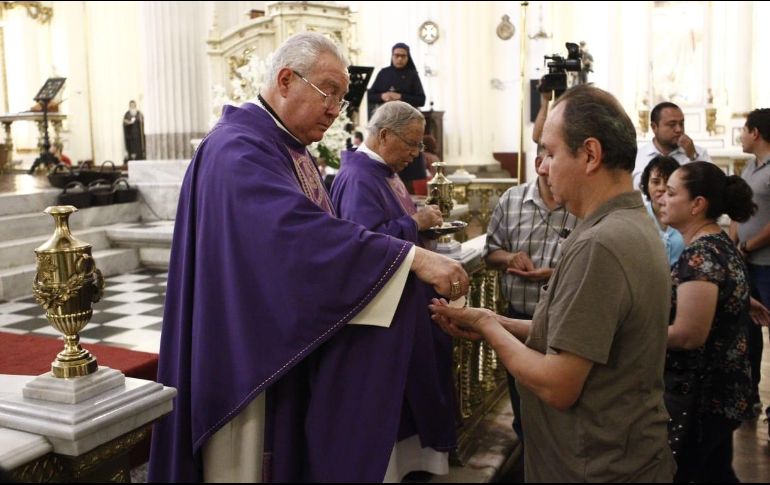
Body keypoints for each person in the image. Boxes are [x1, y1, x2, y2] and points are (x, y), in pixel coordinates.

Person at [147, 32, 469, 483]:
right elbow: (295, 239)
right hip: (243, 354)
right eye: (328, 92)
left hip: (278, 341)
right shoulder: (237, 148)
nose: (336, 109)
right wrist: (411, 258)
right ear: (285, 80)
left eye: (342, 97)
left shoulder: (286, 148)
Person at [430, 84, 676, 482]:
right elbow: (584, 337)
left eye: (550, 153)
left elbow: (558, 385)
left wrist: (490, 328)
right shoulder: (627, 223)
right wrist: (497, 322)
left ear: (590, 155)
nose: (542, 167)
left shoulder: (601, 244)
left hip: (593, 466)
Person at [330, 100, 454, 481]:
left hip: (406, 308)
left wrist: (416, 221)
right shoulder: (359, 178)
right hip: (383, 324)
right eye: (412, 143)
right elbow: (364, 248)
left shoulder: (382, 173)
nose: (416, 153)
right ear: (384, 135)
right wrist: (415, 221)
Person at [484, 89, 577, 443]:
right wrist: (509, 258)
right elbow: (491, 252)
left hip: (562, 321)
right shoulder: (512, 200)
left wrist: (553, 274)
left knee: (560, 413)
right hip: (518, 315)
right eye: (547, 157)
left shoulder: (578, 202)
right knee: (524, 411)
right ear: (539, 163)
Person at [658, 161, 756, 482]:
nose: (661, 198)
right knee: (716, 473)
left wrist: (636, 335)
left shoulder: (700, 255)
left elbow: (689, 334)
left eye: (671, 193)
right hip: (719, 391)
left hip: (702, 396)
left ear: (697, 204)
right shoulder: (718, 243)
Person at [730, 108, 770, 426]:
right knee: (748, 333)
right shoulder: (749, 166)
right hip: (746, 262)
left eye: (744, 129)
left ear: (755, 132)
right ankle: (749, 395)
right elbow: (737, 211)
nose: (741, 135)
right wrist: (733, 244)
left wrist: (747, 246)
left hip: (766, 264)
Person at [368, 43, 427, 194]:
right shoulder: (384, 73)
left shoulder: (412, 75)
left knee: (407, 171)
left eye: (403, 56)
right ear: (392, 56)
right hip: (387, 126)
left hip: (407, 127)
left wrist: (400, 97)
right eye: (397, 55)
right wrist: (383, 96)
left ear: (408, 57)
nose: (399, 59)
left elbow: (421, 99)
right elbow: (370, 95)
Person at [632, 101, 713, 188]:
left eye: (681, 124)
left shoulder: (699, 154)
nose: (679, 129)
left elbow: (714, 185)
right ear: (654, 127)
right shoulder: (637, 157)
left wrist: (693, 157)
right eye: (672, 124)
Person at [639, 155, 684, 266]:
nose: (662, 188)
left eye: (668, 182)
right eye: (655, 182)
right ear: (646, 184)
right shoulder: (638, 218)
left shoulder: (687, 218)